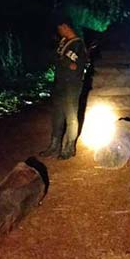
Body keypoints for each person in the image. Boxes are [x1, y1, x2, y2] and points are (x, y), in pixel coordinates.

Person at [39, 18, 87, 160]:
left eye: (60, 29)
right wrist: (62, 60)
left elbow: (72, 64)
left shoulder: (78, 44)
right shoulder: (64, 42)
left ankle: (69, 147)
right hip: (60, 84)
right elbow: (61, 60)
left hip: (72, 85)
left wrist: (62, 60)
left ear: (66, 27)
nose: (59, 32)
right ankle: (54, 145)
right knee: (57, 115)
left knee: (71, 116)